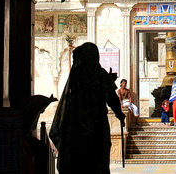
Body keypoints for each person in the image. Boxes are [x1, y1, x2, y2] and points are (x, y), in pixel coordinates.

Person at [49, 42, 125, 174]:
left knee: (78, 162)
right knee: (97, 161)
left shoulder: (77, 74)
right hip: (97, 125)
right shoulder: (100, 74)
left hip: (76, 124)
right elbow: (112, 98)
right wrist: (120, 115)